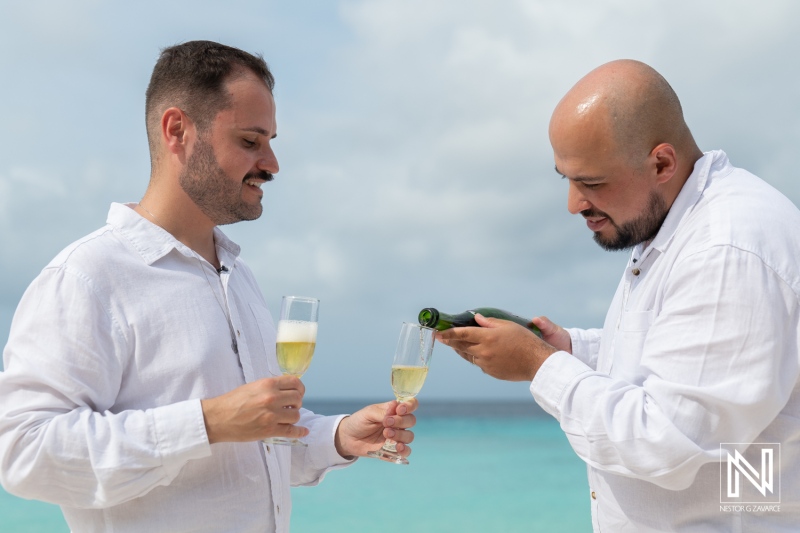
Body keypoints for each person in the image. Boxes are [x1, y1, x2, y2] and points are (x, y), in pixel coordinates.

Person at [0, 40, 417, 533]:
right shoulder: (86, 277)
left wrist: (340, 437)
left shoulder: (238, 278)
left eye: (271, 141)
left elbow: (251, 453)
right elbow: (24, 453)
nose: (272, 163)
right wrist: (208, 422)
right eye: (249, 141)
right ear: (178, 131)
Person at [438, 59, 800, 531]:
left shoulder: (723, 247)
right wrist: (571, 350)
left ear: (662, 163)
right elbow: (674, 361)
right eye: (565, 179)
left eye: (591, 183)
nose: (573, 204)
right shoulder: (679, 224)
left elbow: (666, 443)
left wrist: (539, 365)